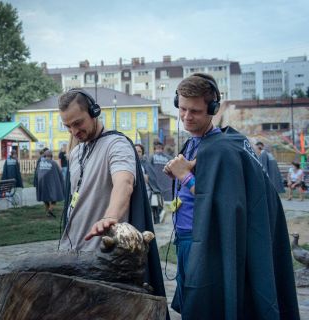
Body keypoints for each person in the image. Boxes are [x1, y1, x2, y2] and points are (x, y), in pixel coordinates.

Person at [164, 73, 299, 318]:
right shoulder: (197, 143)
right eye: (182, 109)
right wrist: (181, 173)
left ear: (213, 108)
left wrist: (185, 176)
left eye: (194, 111)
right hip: (186, 240)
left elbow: (224, 203)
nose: (186, 117)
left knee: (204, 309)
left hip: (206, 243)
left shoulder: (222, 148)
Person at [57, 88, 165, 300]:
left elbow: (124, 183)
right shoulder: (76, 152)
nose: (73, 131)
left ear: (94, 112)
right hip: (70, 253)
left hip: (103, 258)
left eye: (78, 123)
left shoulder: (117, 145)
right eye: (67, 126)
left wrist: (110, 217)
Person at [35, 150, 64, 217]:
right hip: (51, 184)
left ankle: (47, 210)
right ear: (51, 156)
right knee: (54, 198)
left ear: (44, 156)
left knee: (44, 197)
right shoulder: (53, 163)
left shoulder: (40, 163)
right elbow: (59, 173)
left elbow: (37, 173)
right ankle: (50, 210)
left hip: (41, 183)